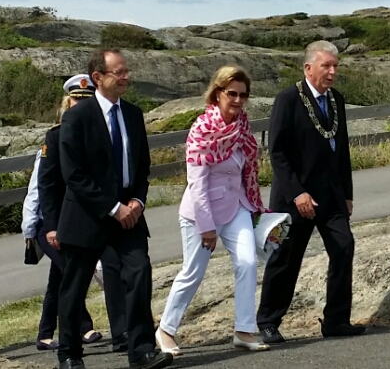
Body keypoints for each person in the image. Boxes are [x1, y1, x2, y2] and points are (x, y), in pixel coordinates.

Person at [56, 49, 170, 369]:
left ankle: (142, 350)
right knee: (75, 287)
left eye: (126, 71)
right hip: (88, 215)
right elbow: (74, 174)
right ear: (98, 78)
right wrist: (112, 207)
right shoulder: (78, 116)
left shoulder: (133, 114)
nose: (126, 77)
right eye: (118, 72)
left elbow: (142, 167)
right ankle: (69, 354)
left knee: (139, 272)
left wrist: (137, 202)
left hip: (128, 217)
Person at [256, 40, 365, 342]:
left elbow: (342, 150)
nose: (332, 72)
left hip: (331, 195)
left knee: (343, 247)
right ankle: (267, 321)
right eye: (326, 66)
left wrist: (347, 193)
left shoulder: (336, 99)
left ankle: (336, 321)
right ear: (308, 68)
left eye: (335, 66)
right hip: (294, 198)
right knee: (285, 260)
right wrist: (297, 193)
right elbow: (277, 152)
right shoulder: (288, 99)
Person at [157, 66, 269, 355]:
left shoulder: (243, 126)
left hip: (236, 207)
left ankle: (244, 329)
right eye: (232, 93)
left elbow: (247, 172)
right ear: (217, 93)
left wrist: (254, 206)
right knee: (193, 273)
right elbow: (197, 182)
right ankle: (166, 330)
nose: (238, 100)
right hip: (201, 211)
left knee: (247, 262)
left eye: (243, 95)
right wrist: (206, 226)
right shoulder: (202, 129)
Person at [22, 74, 128, 352]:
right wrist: (42, 227)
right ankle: (73, 336)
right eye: (75, 101)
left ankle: (120, 333)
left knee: (103, 269)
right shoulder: (55, 138)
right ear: (67, 103)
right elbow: (42, 187)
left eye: (86, 101)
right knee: (71, 276)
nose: (80, 106)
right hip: (62, 223)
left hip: (98, 218)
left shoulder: (102, 134)